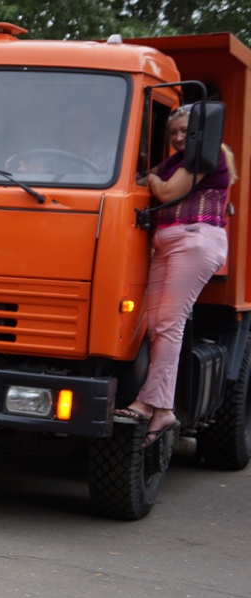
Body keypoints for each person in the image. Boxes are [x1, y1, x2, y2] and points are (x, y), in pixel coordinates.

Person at [113, 107, 236, 445]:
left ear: (200, 133)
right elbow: (143, 178)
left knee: (168, 323)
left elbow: (166, 192)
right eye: (174, 133)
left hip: (195, 239)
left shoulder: (206, 157)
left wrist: (150, 179)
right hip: (168, 243)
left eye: (186, 131)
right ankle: (163, 409)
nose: (180, 138)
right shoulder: (174, 161)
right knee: (156, 323)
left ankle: (148, 403)